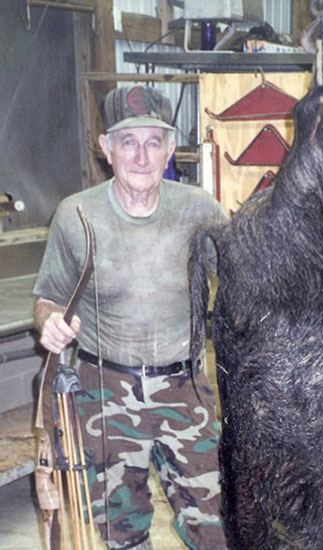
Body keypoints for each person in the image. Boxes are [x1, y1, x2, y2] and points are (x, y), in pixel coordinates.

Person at [33, 85, 227, 550]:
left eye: (153, 142)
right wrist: (50, 322)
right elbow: (48, 299)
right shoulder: (76, 215)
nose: (141, 156)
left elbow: (249, 284)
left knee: (216, 527)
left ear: (169, 149)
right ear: (106, 147)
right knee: (121, 531)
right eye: (128, 142)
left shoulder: (200, 211)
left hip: (185, 391)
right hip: (105, 394)